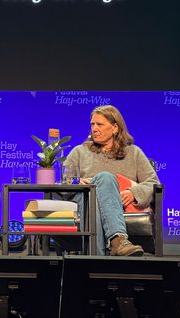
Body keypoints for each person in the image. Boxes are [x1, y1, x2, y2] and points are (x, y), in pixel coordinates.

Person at [62, 105, 160, 257]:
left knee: (104, 182)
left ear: (115, 128)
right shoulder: (79, 152)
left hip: (118, 207)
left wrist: (134, 193)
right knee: (104, 179)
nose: (94, 129)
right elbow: (63, 184)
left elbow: (153, 182)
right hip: (85, 203)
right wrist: (77, 183)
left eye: (99, 124)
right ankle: (118, 240)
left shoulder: (133, 153)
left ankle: (94, 261)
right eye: (92, 124)